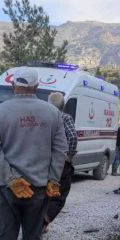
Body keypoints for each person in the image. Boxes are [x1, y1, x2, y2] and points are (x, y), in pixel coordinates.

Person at [0, 67, 67, 240]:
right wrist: (53, 180)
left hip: (6, 189)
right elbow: (60, 150)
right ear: (37, 87)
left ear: (13, 86)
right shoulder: (52, 113)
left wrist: (11, 178)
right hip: (39, 189)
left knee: (3, 239)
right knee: (33, 239)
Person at [44, 92, 78, 229]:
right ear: (63, 105)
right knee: (59, 194)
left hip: (41, 160)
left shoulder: (42, 117)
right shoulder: (65, 117)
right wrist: (67, 155)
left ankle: (36, 223)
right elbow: (73, 137)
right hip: (60, 162)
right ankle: (43, 222)